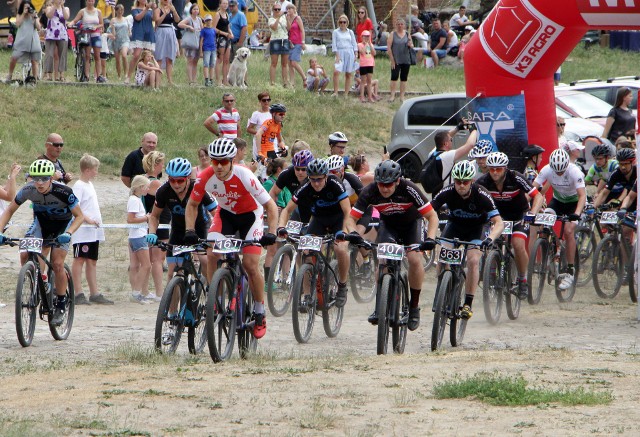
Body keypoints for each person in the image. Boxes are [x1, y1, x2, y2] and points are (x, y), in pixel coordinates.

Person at [185, 138, 278, 339]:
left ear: (232, 160)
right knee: (212, 253)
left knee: (251, 264)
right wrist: (190, 230)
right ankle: (214, 300)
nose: (218, 166)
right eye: (214, 161)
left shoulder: (244, 175)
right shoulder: (205, 176)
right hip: (225, 215)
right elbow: (192, 205)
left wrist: (271, 232)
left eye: (223, 161)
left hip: (250, 217)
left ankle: (260, 311)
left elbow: (270, 206)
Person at [345, 160, 439, 329]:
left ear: (397, 181)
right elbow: (351, 219)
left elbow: (432, 216)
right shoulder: (370, 191)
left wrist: (430, 239)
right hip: (389, 226)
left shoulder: (409, 188)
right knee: (382, 261)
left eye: (388, 184)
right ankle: (379, 306)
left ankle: (414, 307)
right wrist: (353, 233)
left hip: (412, 225)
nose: (385, 188)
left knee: (414, 259)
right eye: (381, 184)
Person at [0, 160, 85, 326]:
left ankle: (61, 303)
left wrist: (68, 233)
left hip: (62, 226)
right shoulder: (28, 190)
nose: (39, 182)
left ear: (51, 179)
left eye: (44, 178)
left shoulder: (64, 191)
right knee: (25, 255)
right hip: (42, 224)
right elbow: (9, 210)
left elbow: (80, 216)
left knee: (57, 263)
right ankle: (41, 283)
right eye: (36, 178)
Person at [430, 160, 504, 319]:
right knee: (442, 255)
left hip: (476, 229)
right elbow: (428, 210)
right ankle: (442, 289)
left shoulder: (482, 194)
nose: (461, 185)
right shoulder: (447, 191)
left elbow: (499, 222)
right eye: (458, 181)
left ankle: (468, 303)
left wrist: (490, 238)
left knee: (472, 260)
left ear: (471, 181)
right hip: (455, 225)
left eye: (465, 182)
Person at [277, 158, 351, 308]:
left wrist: (343, 232)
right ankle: (306, 295)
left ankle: (342, 285)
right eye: (313, 180)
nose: (316, 183)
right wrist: (280, 227)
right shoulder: (305, 187)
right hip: (318, 220)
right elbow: (287, 210)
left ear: (325, 176)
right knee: (306, 252)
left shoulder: (335, 183)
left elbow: (347, 211)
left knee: (340, 248)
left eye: (319, 180)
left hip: (338, 219)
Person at [476, 152, 544, 299]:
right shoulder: (483, 181)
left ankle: (522, 279)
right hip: (498, 217)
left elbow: (538, 196)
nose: (494, 172)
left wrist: (532, 213)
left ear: (505, 168)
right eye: (492, 169)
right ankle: (491, 273)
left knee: (518, 244)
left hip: (519, 215)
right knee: (491, 242)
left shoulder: (516, 177)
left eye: (498, 169)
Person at [146, 158, 217, 278]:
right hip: (178, 230)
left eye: (180, 180)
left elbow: (216, 212)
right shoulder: (163, 191)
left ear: (188, 177)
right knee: (172, 273)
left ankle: (211, 291)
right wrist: (152, 233)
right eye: (172, 180)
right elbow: (154, 216)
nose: (176, 184)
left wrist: (218, 232)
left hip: (200, 228)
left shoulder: (198, 188)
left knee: (204, 261)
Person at [533, 149, 586, 291]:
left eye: (562, 171)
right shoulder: (547, 170)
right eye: (556, 172)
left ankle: (570, 270)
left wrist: (577, 213)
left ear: (567, 165)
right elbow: (533, 189)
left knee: (569, 231)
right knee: (544, 222)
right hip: (557, 201)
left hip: (574, 203)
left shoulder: (575, 172)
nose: (559, 174)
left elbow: (582, 196)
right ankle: (551, 247)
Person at [71, 154, 113, 305]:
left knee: (92, 261)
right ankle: (78, 292)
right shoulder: (78, 186)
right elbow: (75, 207)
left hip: (93, 231)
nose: (96, 172)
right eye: (95, 169)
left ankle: (94, 292)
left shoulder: (89, 185)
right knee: (79, 259)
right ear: (87, 170)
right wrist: (87, 219)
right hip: (82, 230)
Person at [141, 151, 168, 301]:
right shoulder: (155, 183)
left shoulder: (142, 179)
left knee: (148, 260)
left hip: (148, 222)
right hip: (159, 223)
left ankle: (144, 290)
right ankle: (159, 292)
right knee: (157, 259)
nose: (162, 166)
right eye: (161, 163)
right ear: (156, 164)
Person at [422, 127, 479, 194]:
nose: (451, 140)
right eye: (451, 140)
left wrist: (458, 128)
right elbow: (470, 145)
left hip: (436, 193)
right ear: (446, 144)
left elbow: (443, 137)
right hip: (446, 195)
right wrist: (474, 130)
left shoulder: (432, 154)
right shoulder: (447, 157)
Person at [127, 175, 152, 304]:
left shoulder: (135, 199)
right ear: (141, 187)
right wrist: (146, 218)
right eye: (147, 187)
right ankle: (137, 292)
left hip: (136, 236)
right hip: (138, 236)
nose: (148, 189)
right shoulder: (134, 200)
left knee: (136, 265)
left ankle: (136, 292)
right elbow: (130, 219)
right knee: (146, 265)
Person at [69, 0, 106, 83]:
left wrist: (96, 26)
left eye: (92, 0)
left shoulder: (98, 11)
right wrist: (70, 24)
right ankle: (86, 75)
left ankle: (98, 76)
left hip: (95, 34)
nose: (90, 2)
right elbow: (75, 20)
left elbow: (101, 24)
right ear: (86, 2)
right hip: (86, 34)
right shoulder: (82, 11)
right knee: (87, 56)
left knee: (97, 55)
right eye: (89, 0)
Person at [6, 0, 42, 83]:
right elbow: (18, 24)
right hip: (22, 40)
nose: (27, 9)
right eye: (25, 8)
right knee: (14, 57)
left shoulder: (34, 15)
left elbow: (39, 27)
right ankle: (10, 75)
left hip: (33, 40)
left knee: (34, 60)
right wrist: (23, 13)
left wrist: (35, 17)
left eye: (29, 8)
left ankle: (35, 79)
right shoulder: (19, 14)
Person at [127, 0, 156, 84]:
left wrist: (153, 9)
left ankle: (147, 78)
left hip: (148, 32)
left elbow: (154, 19)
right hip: (139, 32)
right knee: (136, 55)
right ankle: (128, 76)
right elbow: (138, 18)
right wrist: (146, 8)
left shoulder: (150, 10)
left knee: (148, 56)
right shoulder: (134, 9)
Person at [153, 0, 179, 86]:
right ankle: (158, 80)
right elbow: (157, 22)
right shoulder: (158, 10)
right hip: (161, 31)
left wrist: (174, 11)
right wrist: (164, 13)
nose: (166, 1)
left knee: (169, 57)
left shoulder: (171, 9)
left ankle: (170, 81)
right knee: (159, 56)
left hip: (170, 32)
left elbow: (177, 20)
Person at [387, 17, 413, 102]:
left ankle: (402, 96)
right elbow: (389, 48)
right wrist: (392, 60)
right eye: (398, 24)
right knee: (394, 77)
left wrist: (410, 45)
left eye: (401, 24)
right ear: (396, 25)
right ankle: (392, 95)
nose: (400, 26)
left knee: (404, 77)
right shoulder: (392, 34)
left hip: (406, 59)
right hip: (396, 59)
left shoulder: (407, 34)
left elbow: (411, 45)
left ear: (404, 25)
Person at [331, 14, 357, 97]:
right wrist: (337, 55)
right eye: (341, 22)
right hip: (340, 51)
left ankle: (346, 93)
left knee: (348, 73)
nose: (342, 24)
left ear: (347, 23)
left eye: (344, 22)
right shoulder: (335, 32)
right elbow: (334, 44)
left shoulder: (350, 32)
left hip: (349, 52)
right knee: (336, 72)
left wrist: (356, 53)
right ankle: (336, 92)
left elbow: (354, 43)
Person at [43, 0, 69, 82]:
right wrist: (55, 5)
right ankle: (49, 75)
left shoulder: (66, 8)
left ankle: (61, 75)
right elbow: (49, 15)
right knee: (49, 54)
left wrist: (62, 6)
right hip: (51, 33)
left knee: (62, 54)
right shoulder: (49, 8)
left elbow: (66, 17)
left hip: (62, 34)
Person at [178, 2, 202, 85]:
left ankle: (194, 80)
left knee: (195, 61)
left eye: (197, 9)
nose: (196, 11)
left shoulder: (199, 19)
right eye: (194, 9)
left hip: (197, 42)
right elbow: (180, 24)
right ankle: (190, 80)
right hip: (190, 42)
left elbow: (201, 30)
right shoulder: (189, 19)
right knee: (190, 60)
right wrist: (188, 27)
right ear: (191, 10)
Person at [268, 2, 290, 87]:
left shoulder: (284, 18)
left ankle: (285, 82)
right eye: (276, 9)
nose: (277, 11)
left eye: (279, 9)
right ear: (273, 10)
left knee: (284, 63)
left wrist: (287, 18)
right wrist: (278, 17)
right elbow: (274, 27)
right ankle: (272, 82)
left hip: (284, 40)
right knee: (274, 63)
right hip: (275, 40)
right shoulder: (271, 19)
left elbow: (289, 28)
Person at [246, 91, 273, 160]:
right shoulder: (256, 114)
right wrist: (259, 133)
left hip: (271, 140)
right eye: (264, 100)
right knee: (259, 161)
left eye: (268, 100)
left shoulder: (273, 112)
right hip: (260, 141)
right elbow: (249, 129)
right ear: (260, 101)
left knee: (272, 162)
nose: (266, 102)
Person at [212, 0, 232, 86]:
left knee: (227, 60)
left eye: (226, 4)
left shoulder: (227, 14)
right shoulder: (218, 14)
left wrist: (231, 33)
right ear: (220, 4)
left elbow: (228, 27)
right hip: (220, 38)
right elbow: (213, 28)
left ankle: (225, 80)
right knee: (219, 59)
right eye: (223, 3)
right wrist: (224, 34)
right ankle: (218, 80)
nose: (225, 5)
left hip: (227, 38)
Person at [285, 3, 305, 88]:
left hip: (297, 42)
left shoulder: (298, 18)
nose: (288, 10)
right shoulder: (287, 18)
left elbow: (302, 30)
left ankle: (304, 77)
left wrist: (303, 42)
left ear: (294, 10)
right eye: (287, 9)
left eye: (290, 9)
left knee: (294, 62)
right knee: (289, 63)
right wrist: (288, 20)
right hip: (290, 42)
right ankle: (292, 83)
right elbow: (288, 29)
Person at [110, 4, 131, 82]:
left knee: (124, 55)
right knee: (117, 59)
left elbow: (129, 30)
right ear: (116, 11)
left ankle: (126, 74)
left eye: (122, 10)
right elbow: (111, 32)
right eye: (119, 10)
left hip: (125, 40)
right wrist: (113, 28)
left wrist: (129, 34)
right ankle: (119, 75)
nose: (121, 12)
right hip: (116, 41)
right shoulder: (113, 20)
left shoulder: (126, 19)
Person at [357, 30, 376, 103]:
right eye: (365, 36)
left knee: (369, 81)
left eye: (368, 36)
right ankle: (362, 96)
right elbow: (362, 52)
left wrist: (370, 44)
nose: (366, 38)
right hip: (363, 64)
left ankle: (370, 97)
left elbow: (374, 53)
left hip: (370, 64)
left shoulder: (371, 44)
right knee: (363, 81)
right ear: (362, 37)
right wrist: (365, 44)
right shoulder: (359, 44)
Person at [200, 14, 216, 87]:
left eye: (210, 20)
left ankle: (211, 79)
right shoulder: (203, 30)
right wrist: (201, 50)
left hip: (213, 48)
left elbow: (214, 39)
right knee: (206, 64)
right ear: (205, 22)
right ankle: (206, 79)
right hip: (206, 48)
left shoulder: (213, 30)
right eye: (207, 20)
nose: (209, 22)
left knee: (212, 64)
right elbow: (201, 40)